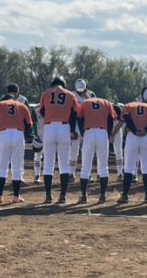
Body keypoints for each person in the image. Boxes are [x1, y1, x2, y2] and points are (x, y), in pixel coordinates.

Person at [38, 76, 79, 204]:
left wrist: (51, 115)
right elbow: (74, 114)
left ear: (52, 84)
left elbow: (42, 111)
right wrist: (72, 130)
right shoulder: (70, 95)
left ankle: (48, 196)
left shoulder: (46, 93)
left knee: (48, 164)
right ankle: (62, 196)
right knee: (64, 164)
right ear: (63, 85)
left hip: (49, 127)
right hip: (64, 127)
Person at [0, 94, 33, 203]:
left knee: (2, 167)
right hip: (18, 133)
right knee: (17, 167)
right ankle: (16, 196)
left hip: (3, 133)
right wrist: (24, 136)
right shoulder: (22, 106)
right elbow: (29, 125)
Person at [76, 93, 117, 204]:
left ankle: (84, 196)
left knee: (85, 167)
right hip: (102, 132)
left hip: (89, 132)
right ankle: (102, 195)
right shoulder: (106, 102)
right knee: (103, 167)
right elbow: (111, 120)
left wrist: (83, 132)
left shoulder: (85, 103)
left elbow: (79, 119)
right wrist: (108, 134)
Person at [118, 97, 147, 204]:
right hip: (146, 136)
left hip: (132, 136)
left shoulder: (129, 106)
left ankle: (125, 195)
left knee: (129, 167)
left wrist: (135, 130)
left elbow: (127, 118)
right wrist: (145, 130)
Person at [68, 78, 95, 179]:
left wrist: (86, 96)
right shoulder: (71, 94)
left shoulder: (91, 94)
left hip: (87, 125)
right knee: (73, 150)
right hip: (75, 124)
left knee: (87, 150)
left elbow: (94, 108)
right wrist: (71, 129)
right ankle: (71, 173)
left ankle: (87, 173)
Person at [111, 102, 125, 180]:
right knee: (118, 152)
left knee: (118, 152)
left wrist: (112, 135)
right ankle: (120, 173)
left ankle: (120, 173)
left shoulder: (116, 108)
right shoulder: (118, 108)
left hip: (113, 126)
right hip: (115, 127)